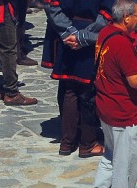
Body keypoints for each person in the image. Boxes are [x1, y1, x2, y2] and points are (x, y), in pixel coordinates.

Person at [81, 0, 137, 188]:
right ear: (127, 18)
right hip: (123, 112)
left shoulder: (105, 33)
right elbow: (134, 81)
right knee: (127, 163)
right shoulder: (122, 44)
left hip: (106, 106)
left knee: (111, 156)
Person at [44, 0, 109, 157]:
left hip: (67, 37)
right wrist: (83, 36)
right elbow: (107, 14)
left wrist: (70, 32)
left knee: (70, 89)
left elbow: (52, 8)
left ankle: (67, 142)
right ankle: (88, 143)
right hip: (89, 39)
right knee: (88, 91)